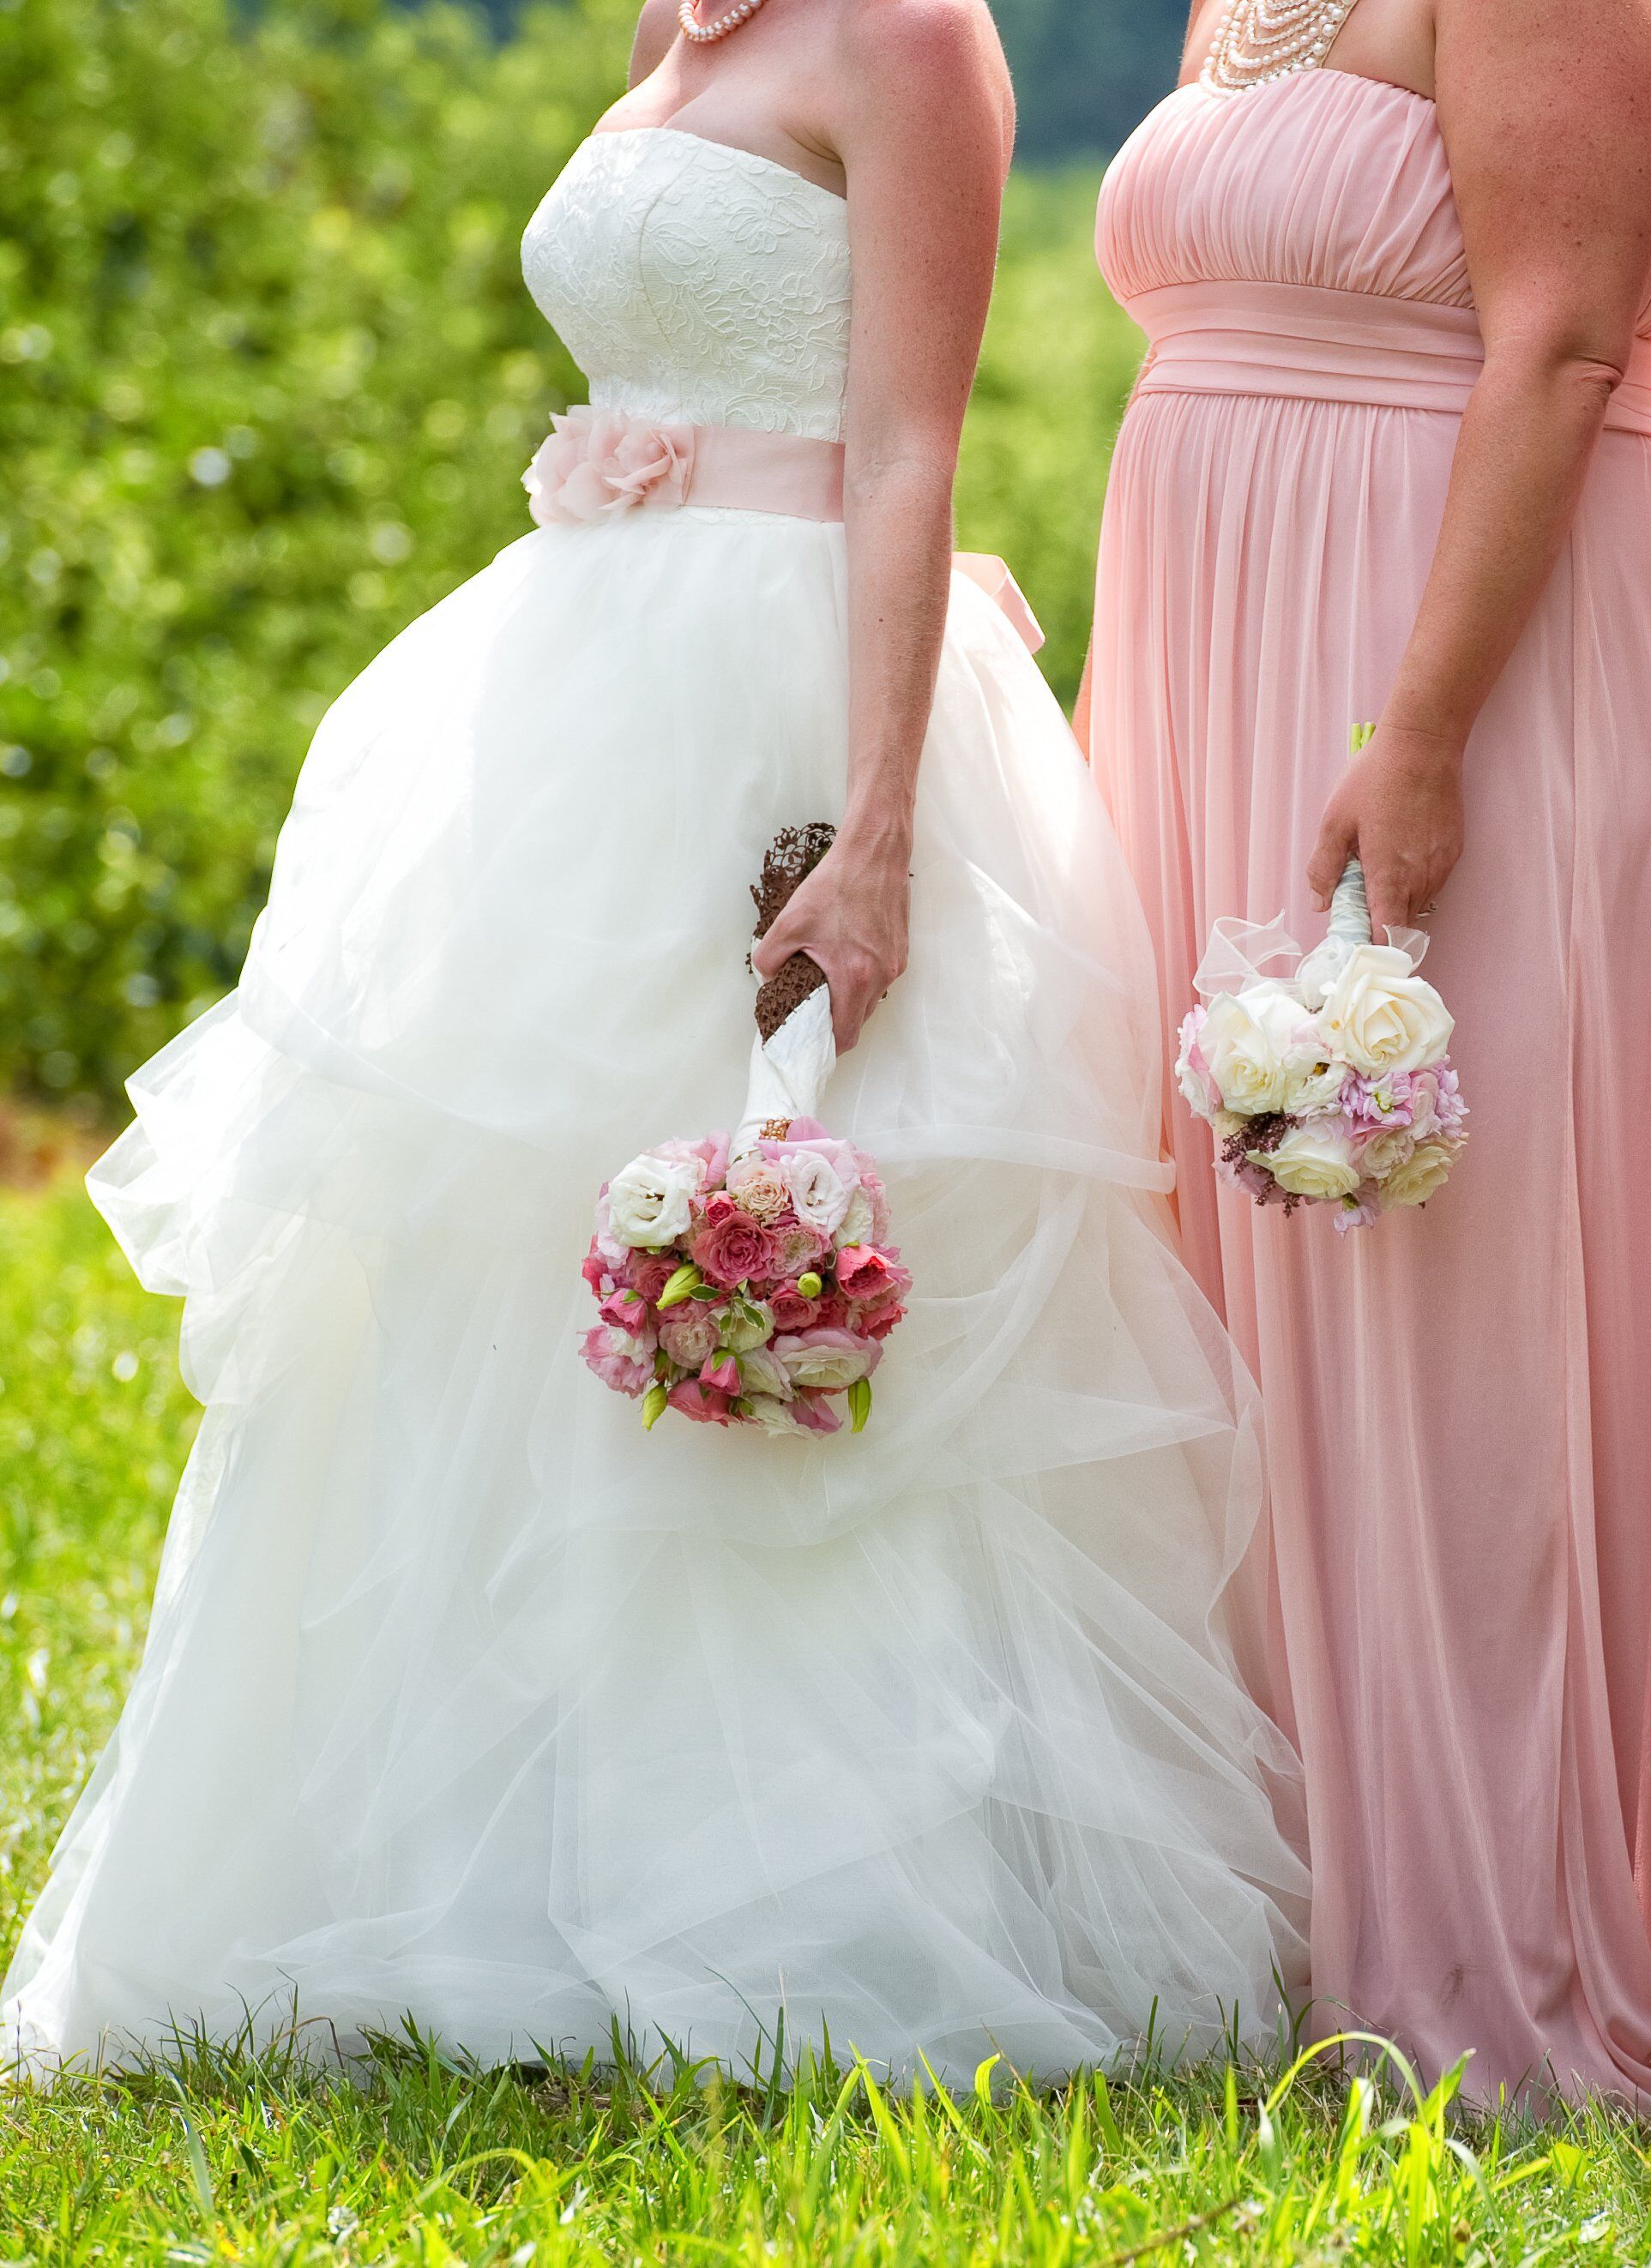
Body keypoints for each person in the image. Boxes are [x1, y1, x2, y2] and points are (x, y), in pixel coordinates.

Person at [2, 0, 1307, 2082]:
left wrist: (875, 829)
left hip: (794, 709)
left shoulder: (911, 40)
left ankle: (832, 1903)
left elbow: (904, 449)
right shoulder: (672, 26)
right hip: (580, 702)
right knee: (496, 1271)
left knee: (809, 1249)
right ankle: (480, 1868)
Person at [1082, 0, 1651, 2104]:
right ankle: (1258, 1907)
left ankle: (1477, 1938)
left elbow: (1559, 343)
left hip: (1439, 652)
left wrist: (1424, 731)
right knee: (1228, 1276)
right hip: (1209, 645)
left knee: (1443, 1307)